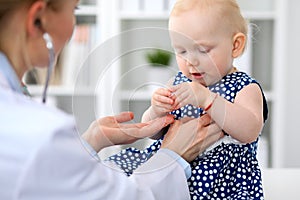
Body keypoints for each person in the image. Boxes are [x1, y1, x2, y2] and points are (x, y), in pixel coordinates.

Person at [0, 0, 225, 199]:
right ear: (38, 20)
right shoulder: (42, 136)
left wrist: (92, 140)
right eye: (74, 9)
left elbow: (46, 180)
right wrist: (173, 154)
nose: (72, 25)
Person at [107, 0, 269, 199]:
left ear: (235, 46)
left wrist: (208, 99)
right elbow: (153, 132)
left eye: (203, 50)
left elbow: (250, 131)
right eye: (181, 51)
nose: (191, 61)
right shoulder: (178, 82)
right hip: (173, 175)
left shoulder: (245, 87)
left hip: (223, 183)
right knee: (118, 175)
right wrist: (157, 110)